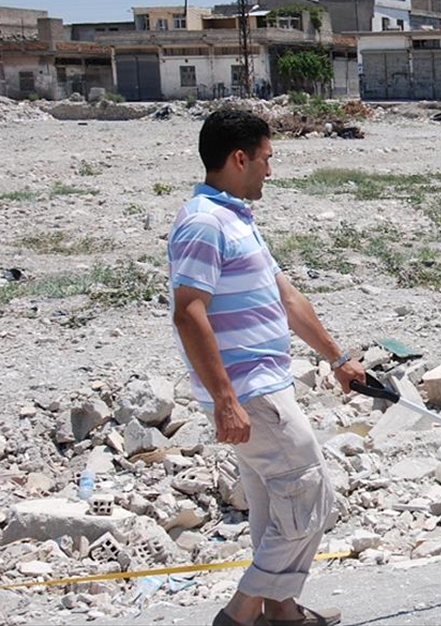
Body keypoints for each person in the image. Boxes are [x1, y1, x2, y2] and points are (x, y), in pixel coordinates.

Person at [169, 109, 365, 626]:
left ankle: (281, 611)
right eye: (266, 159)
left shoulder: (235, 219)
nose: (270, 171)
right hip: (250, 393)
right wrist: (225, 400)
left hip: (264, 387)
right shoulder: (204, 224)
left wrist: (338, 359)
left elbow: (287, 299)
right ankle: (240, 613)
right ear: (240, 159)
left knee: (277, 507)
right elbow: (188, 313)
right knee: (311, 496)